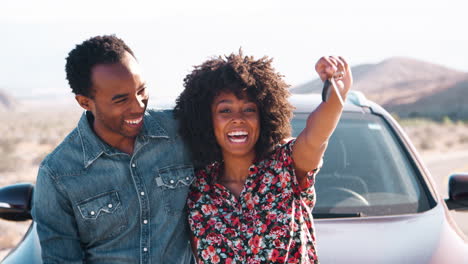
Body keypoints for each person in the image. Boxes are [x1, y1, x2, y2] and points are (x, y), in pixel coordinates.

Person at [174, 52, 352, 263]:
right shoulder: (198, 189)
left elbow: (316, 136)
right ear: (206, 119)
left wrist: (335, 98)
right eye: (225, 110)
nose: (238, 119)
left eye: (249, 109)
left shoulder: (286, 167)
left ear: (264, 116)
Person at [32, 35, 194, 263]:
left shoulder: (181, 133)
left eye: (141, 90)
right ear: (85, 102)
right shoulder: (58, 173)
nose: (138, 106)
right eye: (121, 100)